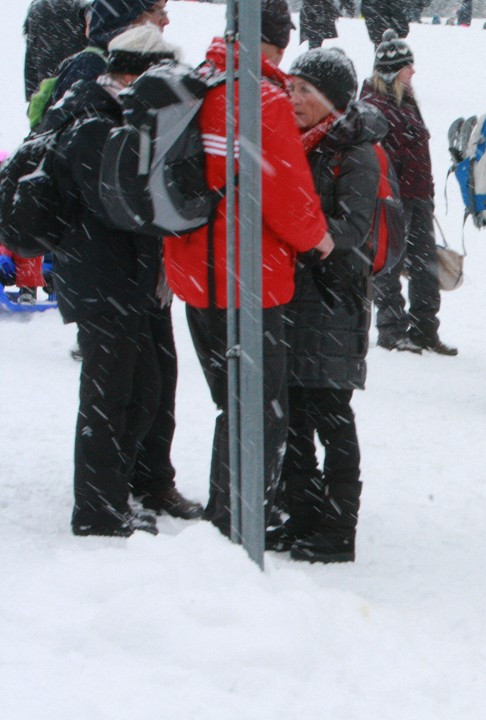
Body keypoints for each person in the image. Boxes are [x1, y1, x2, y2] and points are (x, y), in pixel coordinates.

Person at [164, 0, 334, 538]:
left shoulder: (195, 82)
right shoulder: (260, 98)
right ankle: (240, 520)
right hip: (247, 279)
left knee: (230, 402)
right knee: (258, 410)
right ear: (278, 43)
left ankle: (231, 512)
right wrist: (321, 241)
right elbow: (287, 196)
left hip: (194, 273)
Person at [45, 25, 178, 536]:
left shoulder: (113, 114)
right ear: (136, 74)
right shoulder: (93, 120)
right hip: (102, 279)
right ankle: (98, 508)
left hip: (123, 276)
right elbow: (121, 205)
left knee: (143, 385)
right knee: (111, 393)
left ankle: (127, 487)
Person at [274, 48, 381, 563]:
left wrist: (296, 236)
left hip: (334, 299)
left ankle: (339, 529)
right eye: (290, 88)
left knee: (330, 412)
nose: (292, 98)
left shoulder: (353, 149)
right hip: (293, 297)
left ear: (331, 100)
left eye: (304, 91)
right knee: (291, 413)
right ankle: (303, 515)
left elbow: (352, 230)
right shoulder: (293, 142)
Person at [360, 31, 456, 356]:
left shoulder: (406, 102)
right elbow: (375, 161)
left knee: (425, 268)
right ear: (391, 71)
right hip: (390, 202)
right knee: (389, 267)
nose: (413, 72)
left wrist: (425, 196)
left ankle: (426, 330)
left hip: (417, 199)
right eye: (407, 67)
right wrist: (390, 198)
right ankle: (391, 330)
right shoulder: (373, 108)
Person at [50, 0, 168, 107]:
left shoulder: (137, 65)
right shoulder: (90, 66)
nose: (166, 21)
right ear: (125, 16)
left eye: (165, 12)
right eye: (158, 11)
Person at [23, 0, 89, 102]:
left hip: (48, 92)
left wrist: (32, 95)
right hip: (82, 86)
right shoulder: (85, 6)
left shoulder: (37, 8)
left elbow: (30, 62)